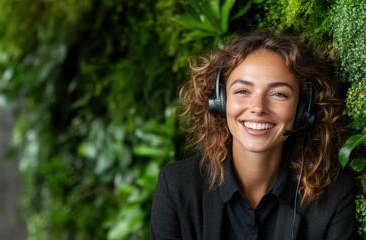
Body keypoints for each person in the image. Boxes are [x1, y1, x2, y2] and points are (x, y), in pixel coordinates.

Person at [150, 30, 356, 240]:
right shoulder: (176, 186)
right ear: (220, 102)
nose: (258, 108)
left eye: (279, 94)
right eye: (242, 91)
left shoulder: (335, 196)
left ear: (304, 110)